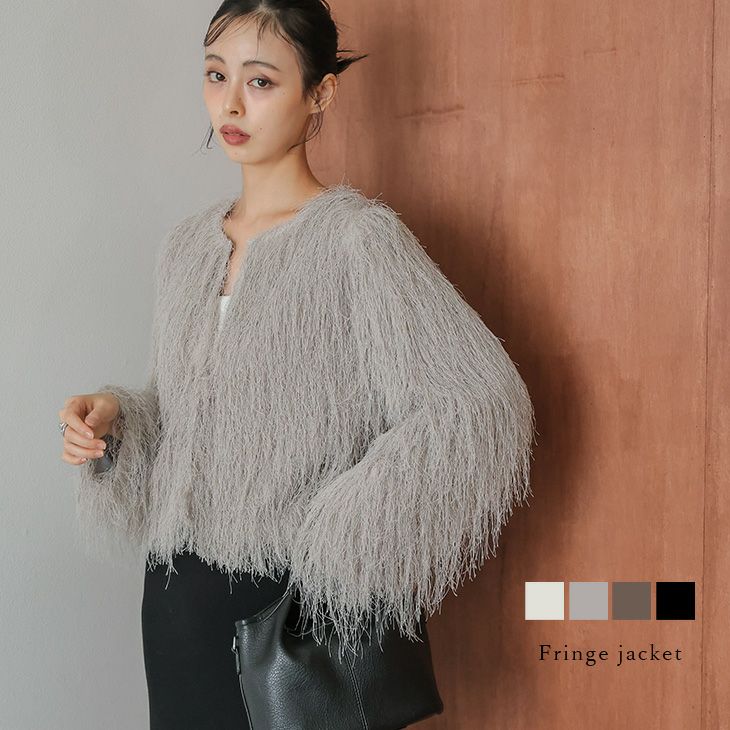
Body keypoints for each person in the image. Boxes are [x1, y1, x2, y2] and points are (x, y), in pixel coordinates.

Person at [59, 2, 537, 729]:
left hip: (289, 612)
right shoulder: (184, 247)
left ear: (320, 93)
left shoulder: (357, 241)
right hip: (177, 600)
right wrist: (117, 417)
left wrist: (336, 538)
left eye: (260, 81)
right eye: (216, 75)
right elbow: (183, 410)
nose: (230, 103)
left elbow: (479, 402)